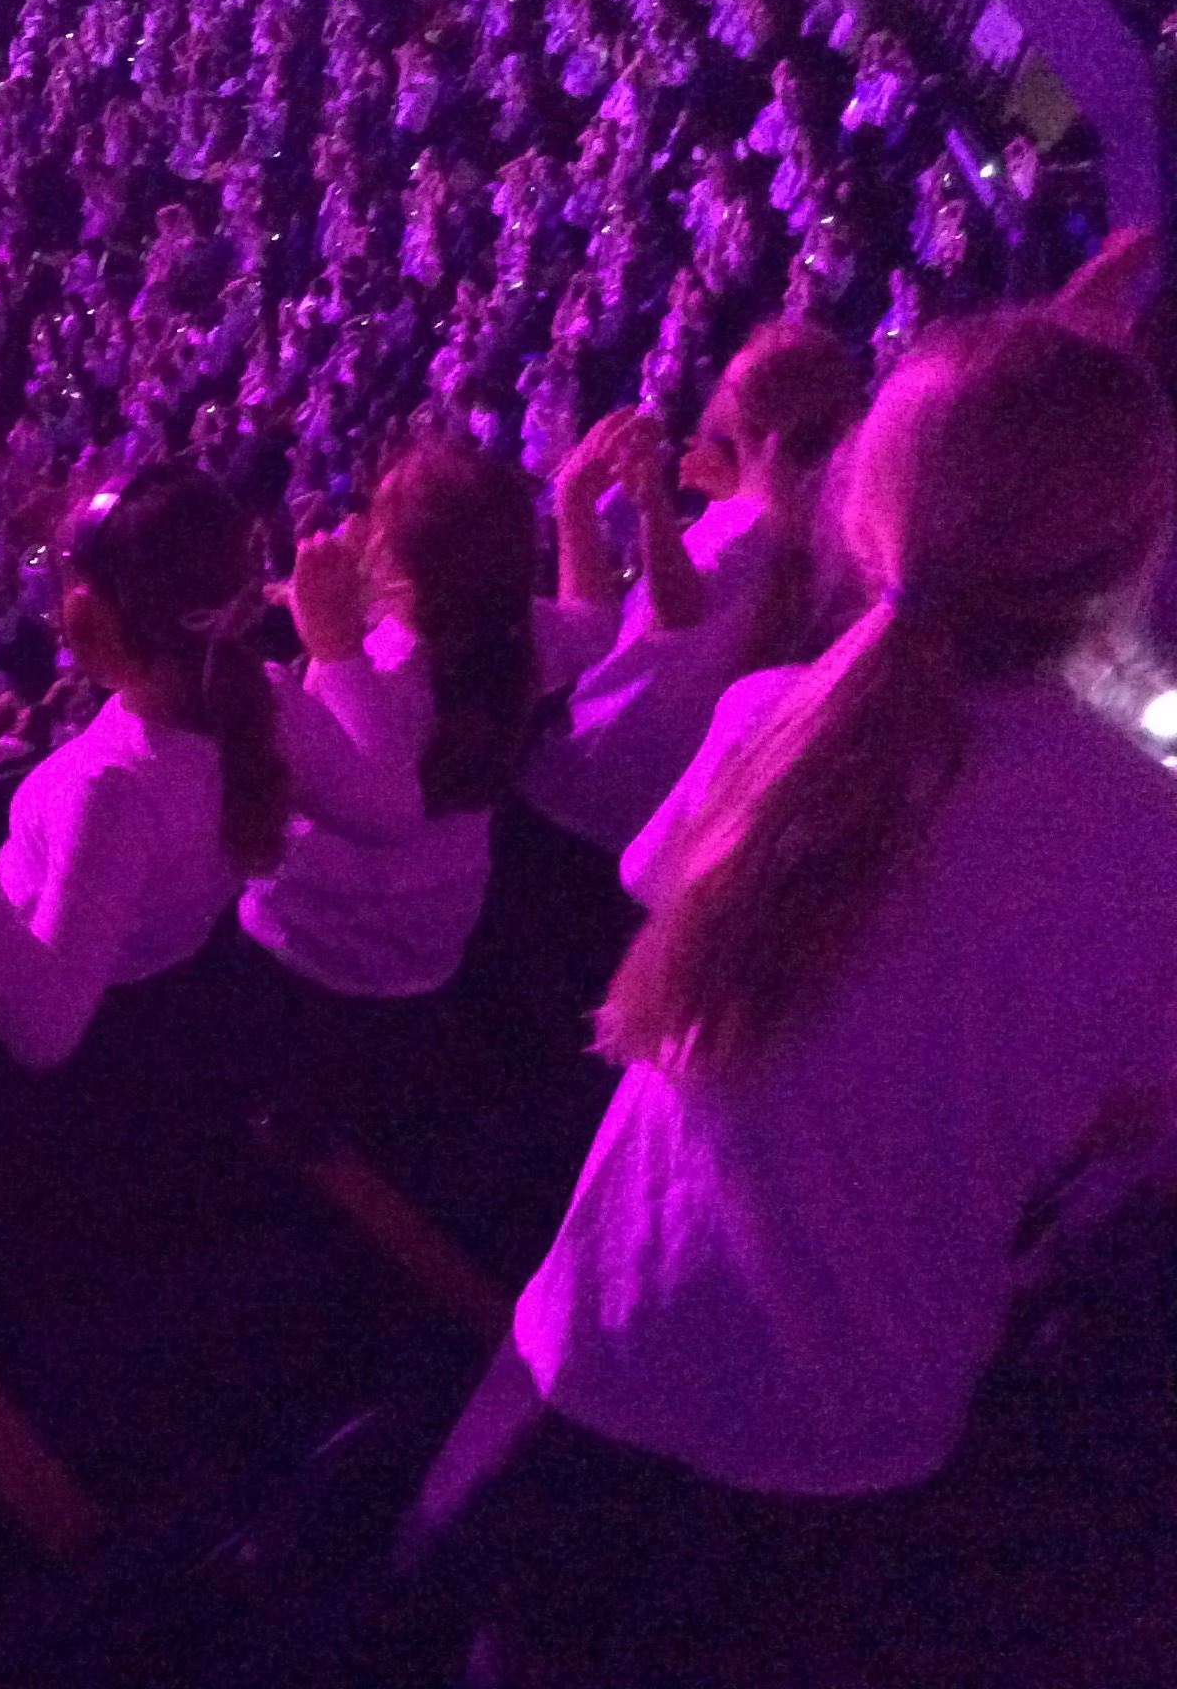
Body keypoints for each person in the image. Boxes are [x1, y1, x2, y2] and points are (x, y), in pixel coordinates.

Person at [399, 313, 1177, 1685]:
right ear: (1127, 553)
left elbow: (656, 889)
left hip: (608, 1345)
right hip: (861, 1429)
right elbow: (1121, 1121)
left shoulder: (767, 724)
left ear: (873, 508)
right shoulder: (1148, 845)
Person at [0, 463, 289, 1072]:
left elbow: (40, 1032)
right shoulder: (267, 701)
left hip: (78, 1045)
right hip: (167, 1004)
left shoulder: (110, 789)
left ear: (92, 620)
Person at [235, 439, 614, 1119]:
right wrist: (577, 504)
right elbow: (595, 623)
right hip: (434, 934)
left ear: (400, 565)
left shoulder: (379, 670)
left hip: (317, 943)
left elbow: (377, 796)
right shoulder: (520, 636)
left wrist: (332, 644)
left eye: (376, 519)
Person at [523, 320, 871, 857]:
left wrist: (648, 502)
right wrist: (725, 492)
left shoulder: (750, 526)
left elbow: (681, 612)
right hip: (655, 799)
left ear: (753, 415)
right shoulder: (803, 526)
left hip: (594, 774)